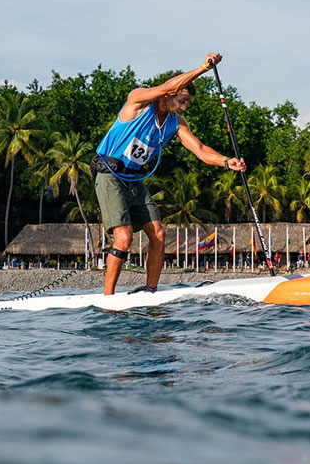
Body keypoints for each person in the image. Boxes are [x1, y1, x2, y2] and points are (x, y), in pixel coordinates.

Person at [94, 52, 245, 295]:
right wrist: (204, 68)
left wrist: (227, 162)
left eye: (187, 103)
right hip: (110, 174)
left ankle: (150, 290)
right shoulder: (138, 100)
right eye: (182, 101)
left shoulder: (176, 122)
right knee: (123, 238)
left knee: (159, 233)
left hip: (134, 179)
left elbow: (200, 149)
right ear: (170, 94)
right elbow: (166, 86)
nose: (184, 107)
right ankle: (108, 297)